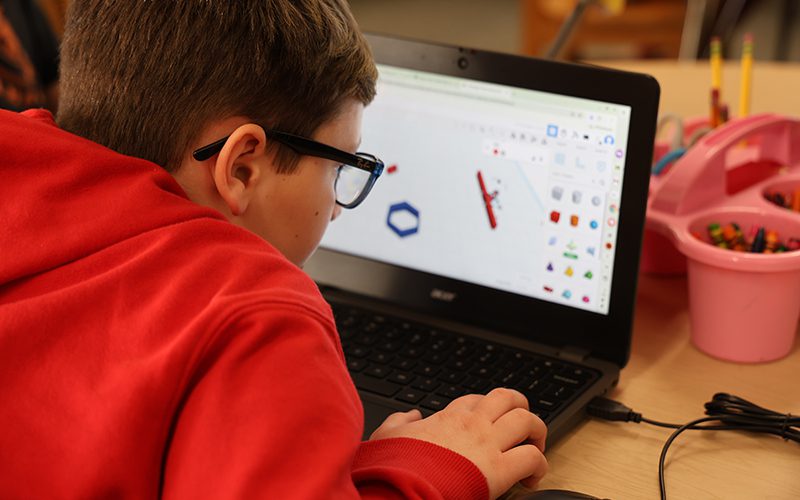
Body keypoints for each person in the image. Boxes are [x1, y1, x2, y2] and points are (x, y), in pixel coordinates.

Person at [0, 1, 548, 498]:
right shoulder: (261, 314)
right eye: (340, 167)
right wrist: (421, 471)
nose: (336, 207)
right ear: (241, 166)